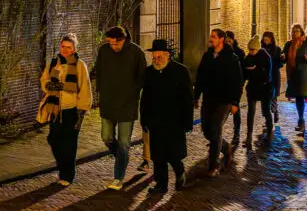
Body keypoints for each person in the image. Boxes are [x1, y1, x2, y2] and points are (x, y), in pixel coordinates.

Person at [92, 25, 147, 191]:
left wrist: (133, 92)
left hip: (127, 105)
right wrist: (99, 88)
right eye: (110, 43)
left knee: (124, 143)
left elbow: (142, 77)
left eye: (116, 44)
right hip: (108, 103)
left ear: (123, 40)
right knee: (106, 137)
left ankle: (118, 177)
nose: (113, 47)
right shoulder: (104, 51)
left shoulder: (137, 53)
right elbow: (98, 70)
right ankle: (122, 158)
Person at [141, 39, 194, 194]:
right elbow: (146, 96)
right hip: (155, 120)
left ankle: (180, 172)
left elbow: (187, 98)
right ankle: (161, 184)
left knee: (173, 153)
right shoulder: (149, 72)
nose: (156, 60)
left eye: (159, 57)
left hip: (174, 120)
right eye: (154, 57)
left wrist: (187, 122)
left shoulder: (180, 71)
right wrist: (144, 117)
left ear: (167, 55)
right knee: (158, 155)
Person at [38, 34, 92, 186]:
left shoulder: (80, 65)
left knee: (69, 143)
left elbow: (84, 88)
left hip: (71, 110)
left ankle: (67, 175)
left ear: (74, 49)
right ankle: (63, 167)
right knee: (53, 140)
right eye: (63, 46)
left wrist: (82, 111)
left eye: (69, 47)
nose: (65, 50)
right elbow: (44, 82)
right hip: (55, 109)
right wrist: (60, 86)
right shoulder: (53, 63)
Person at [195, 29, 244, 176]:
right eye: (211, 36)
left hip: (225, 100)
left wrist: (235, 102)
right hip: (209, 99)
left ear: (221, 39)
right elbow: (200, 77)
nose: (211, 38)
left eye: (214, 36)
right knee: (207, 130)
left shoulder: (232, 58)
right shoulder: (207, 56)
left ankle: (213, 165)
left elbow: (238, 81)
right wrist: (196, 96)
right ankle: (226, 147)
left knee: (216, 127)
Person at [284, 23, 307, 133]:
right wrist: (283, 56)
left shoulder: (306, 43)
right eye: (293, 31)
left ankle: (301, 121)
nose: (295, 33)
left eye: (297, 31)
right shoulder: (288, 44)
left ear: (301, 32)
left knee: (300, 97)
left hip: (303, 73)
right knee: (297, 97)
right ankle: (301, 120)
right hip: (292, 73)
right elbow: (283, 55)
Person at [243, 35, 274, 148]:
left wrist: (255, 71)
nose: (251, 52)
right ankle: (249, 136)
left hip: (265, 89)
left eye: (253, 50)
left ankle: (269, 131)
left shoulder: (266, 56)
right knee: (251, 112)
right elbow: (245, 73)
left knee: (266, 110)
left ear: (258, 48)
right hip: (252, 89)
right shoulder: (248, 58)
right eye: (250, 49)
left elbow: (267, 76)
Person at [224, 31, 246, 147]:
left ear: (233, 40)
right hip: (224, 86)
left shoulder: (240, 53)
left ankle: (236, 134)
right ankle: (217, 136)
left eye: (229, 40)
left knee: (235, 108)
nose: (228, 42)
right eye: (226, 40)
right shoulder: (220, 52)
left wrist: (241, 83)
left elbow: (243, 70)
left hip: (236, 85)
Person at [260, 31, 282, 123]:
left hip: (274, 75)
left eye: (267, 40)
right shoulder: (261, 49)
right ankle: (267, 117)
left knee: (273, 97)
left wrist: (279, 62)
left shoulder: (277, 49)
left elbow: (279, 62)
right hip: (264, 77)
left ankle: (275, 112)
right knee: (265, 98)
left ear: (271, 40)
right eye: (264, 40)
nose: (266, 42)